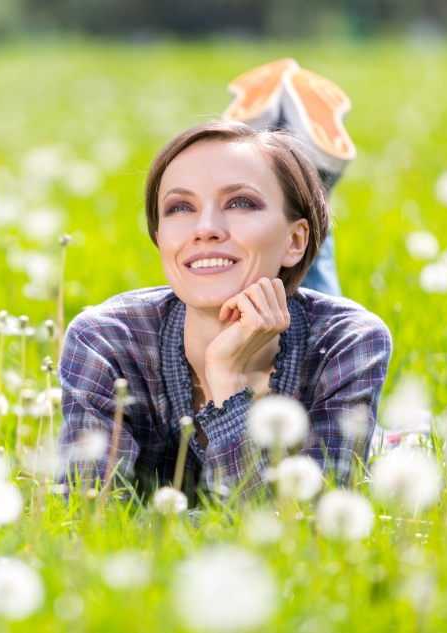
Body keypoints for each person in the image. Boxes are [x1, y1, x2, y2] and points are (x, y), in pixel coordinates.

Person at [55, 60, 391, 501]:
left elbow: (303, 525)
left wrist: (225, 378)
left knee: (300, 287)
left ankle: (303, 181)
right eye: (179, 208)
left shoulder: (350, 341)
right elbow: (86, 513)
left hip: (299, 285)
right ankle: (298, 176)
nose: (204, 227)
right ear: (159, 237)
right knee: (267, 263)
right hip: (275, 255)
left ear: (295, 239)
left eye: (241, 202)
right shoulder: (105, 341)